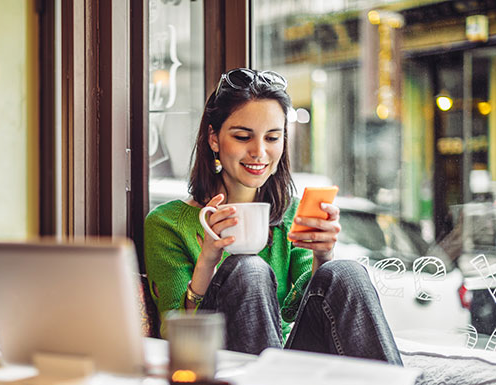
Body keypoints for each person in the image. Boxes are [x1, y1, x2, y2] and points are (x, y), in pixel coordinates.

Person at [144, 68, 402, 365]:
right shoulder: (167, 224)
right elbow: (175, 336)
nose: (259, 152)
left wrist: (323, 256)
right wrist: (207, 262)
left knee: (346, 271)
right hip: (221, 364)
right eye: (243, 137)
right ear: (214, 138)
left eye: (272, 137)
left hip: (287, 362)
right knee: (248, 268)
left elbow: (297, 310)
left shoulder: (290, 212)